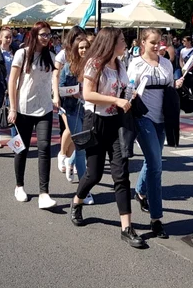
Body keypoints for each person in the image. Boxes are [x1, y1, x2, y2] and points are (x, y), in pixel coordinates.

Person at [69, 27, 145, 249]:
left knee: (121, 174)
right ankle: (77, 202)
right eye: (122, 39)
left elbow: (122, 90)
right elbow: (88, 94)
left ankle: (127, 228)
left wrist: (130, 95)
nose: (125, 42)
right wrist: (116, 101)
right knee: (94, 174)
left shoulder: (120, 64)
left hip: (117, 123)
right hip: (95, 122)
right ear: (110, 43)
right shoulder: (95, 63)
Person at [128, 28, 183, 240]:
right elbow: (128, 89)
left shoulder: (166, 63)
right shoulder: (136, 64)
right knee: (156, 165)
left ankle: (140, 192)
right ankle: (156, 218)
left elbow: (169, 86)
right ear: (143, 43)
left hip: (163, 119)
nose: (157, 46)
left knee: (154, 161)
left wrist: (176, 86)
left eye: (159, 42)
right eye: (152, 42)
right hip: (143, 118)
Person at [7, 21, 57, 209]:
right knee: (22, 148)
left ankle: (44, 193)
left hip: (44, 108)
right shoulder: (22, 54)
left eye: (49, 35)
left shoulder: (50, 56)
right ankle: (19, 185)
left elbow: (52, 80)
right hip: (23, 108)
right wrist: (12, 108)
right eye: (43, 34)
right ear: (34, 34)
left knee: (44, 148)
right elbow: (12, 81)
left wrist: (56, 97)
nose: (46, 38)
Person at [59, 36, 92, 194]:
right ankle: (83, 190)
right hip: (72, 110)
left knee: (83, 147)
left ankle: (70, 162)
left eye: (86, 47)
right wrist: (73, 93)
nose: (84, 50)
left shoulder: (95, 66)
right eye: (81, 48)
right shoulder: (68, 66)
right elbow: (61, 89)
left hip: (90, 110)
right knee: (81, 147)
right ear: (76, 50)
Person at [52, 25, 86, 174]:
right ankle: (62, 154)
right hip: (66, 97)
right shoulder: (63, 56)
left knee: (77, 132)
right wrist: (56, 95)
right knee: (70, 129)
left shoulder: (86, 57)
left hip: (81, 100)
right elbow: (56, 76)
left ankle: (70, 157)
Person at [0, 27, 15, 146]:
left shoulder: (15, 51)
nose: (9, 39)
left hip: (13, 85)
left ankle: (15, 140)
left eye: (10, 37)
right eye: (6, 37)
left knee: (13, 111)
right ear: (0, 38)